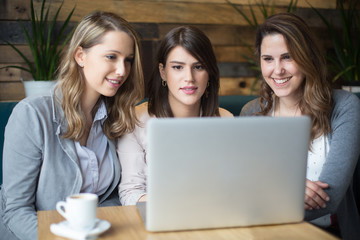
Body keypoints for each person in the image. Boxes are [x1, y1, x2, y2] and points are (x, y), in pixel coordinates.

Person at [0, 11, 144, 240]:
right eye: (111, 57)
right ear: (80, 56)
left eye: (127, 60)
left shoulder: (116, 116)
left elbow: (109, 197)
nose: (122, 71)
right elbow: (15, 212)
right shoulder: (32, 115)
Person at [240, 13, 360, 239]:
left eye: (287, 57)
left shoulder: (344, 107)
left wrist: (266, 199)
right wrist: (289, 189)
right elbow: (243, 191)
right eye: (268, 59)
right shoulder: (251, 113)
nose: (277, 70)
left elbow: (329, 199)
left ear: (307, 57)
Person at [117, 26, 233, 206]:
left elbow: (233, 187)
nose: (189, 77)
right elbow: (130, 194)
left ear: (209, 73)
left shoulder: (226, 121)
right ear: (163, 72)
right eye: (178, 67)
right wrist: (182, 203)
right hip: (160, 220)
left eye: (199, 67)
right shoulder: (135, 121)